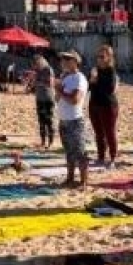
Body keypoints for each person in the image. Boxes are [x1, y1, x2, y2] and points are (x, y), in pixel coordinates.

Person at [55, 50, 89, 189]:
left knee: (79, 152)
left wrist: (59, 90)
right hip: (64, 119)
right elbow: (58, 98)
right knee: (69, 152)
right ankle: (70, 178)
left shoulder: (79, 78)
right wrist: (59, 89)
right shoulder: (65, 77)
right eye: (63, 59)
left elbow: (75, 100)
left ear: (75, 61)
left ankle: (83, 181)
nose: (64, 61)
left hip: (75, 120)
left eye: (67, 59)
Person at [88, 45, 120, 168]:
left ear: (109, 58)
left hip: (108, 105)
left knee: (109, 132)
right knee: (98, 133)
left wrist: (96, 81)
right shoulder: (94, 70)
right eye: (98, 56)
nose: (99, 59)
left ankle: (112, 158)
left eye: (102, 56)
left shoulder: (111, 71)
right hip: (94, 103)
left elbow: (110, 89)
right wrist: (92, 79)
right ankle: (101, 156)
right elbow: (89, 87)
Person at [32, 55, 56, 149]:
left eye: (37, 64)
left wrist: (38, 82)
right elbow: (36, 84)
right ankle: (43, 141)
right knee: (41, 121)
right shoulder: (38, 71)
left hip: (48, 98)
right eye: (35, 65)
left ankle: (51, 142)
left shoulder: (48, 69)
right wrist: (32, 82)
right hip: (40, 98)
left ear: (41, 62)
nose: (35, 66)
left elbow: (50, 83)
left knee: (49, 121)